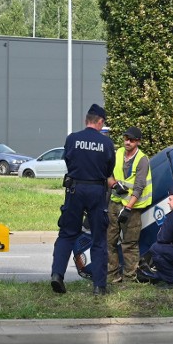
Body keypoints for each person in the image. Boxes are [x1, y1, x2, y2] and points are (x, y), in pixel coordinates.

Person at [50, 104, 115, 295]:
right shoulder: (106, 143)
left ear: (86, 120)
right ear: (100, 122)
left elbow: (68, 161)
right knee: (98, 238)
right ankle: (99, 286)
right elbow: (108, 169)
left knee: (67, 234)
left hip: (75, 189)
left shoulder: (73, 139)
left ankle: (57, 275)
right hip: (96, 191)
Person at [107, 126, 152, 282]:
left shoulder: (142, 159)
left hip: (132, 209)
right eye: (126, 138)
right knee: (109, 240)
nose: (127, 142)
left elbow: (139, 187)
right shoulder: (118, 153)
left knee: (130, 244)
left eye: (131, 140)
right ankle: (112, 276)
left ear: (138, 142)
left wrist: (128, 208)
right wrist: (113, 184)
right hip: (115, 202)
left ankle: (129, 278)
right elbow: (107, 172)